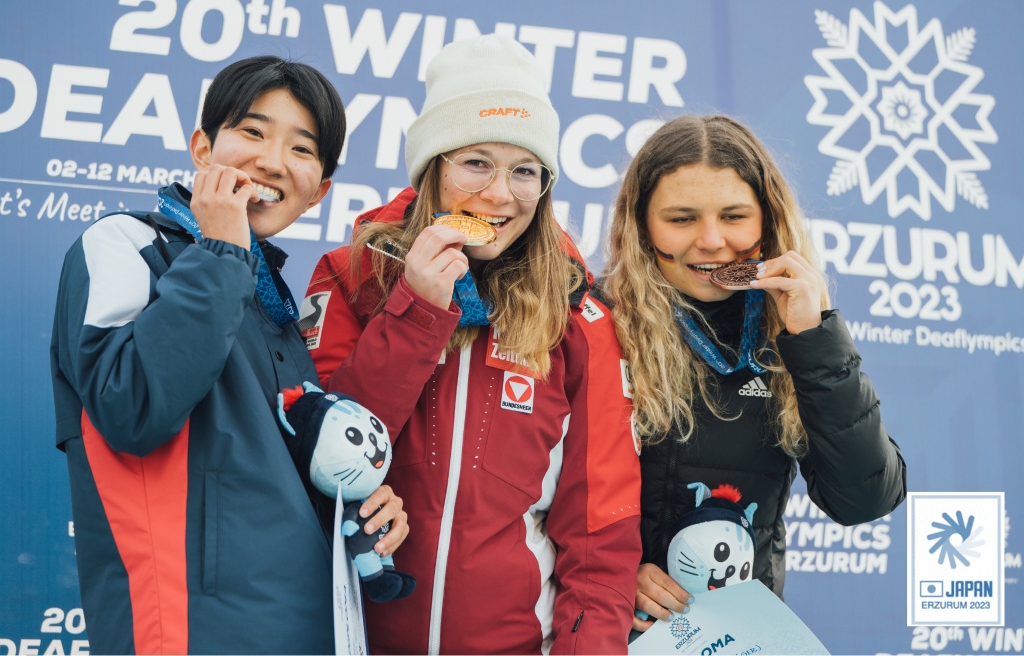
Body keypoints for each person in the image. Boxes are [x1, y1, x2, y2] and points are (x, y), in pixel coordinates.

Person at [50, 55, 408, 655]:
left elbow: (273, 471)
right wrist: (219, 248)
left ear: (319, 191)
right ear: (201, 147)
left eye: (301, 148)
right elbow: (131, 409)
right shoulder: (124, 244)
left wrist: (359, 502)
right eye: (252, 132)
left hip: (306, 629)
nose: (271, 161)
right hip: (188, 633)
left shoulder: (270, 298)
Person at [301, 34, 642, 654]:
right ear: (433, 168)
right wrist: (417, 309)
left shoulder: (577, 317)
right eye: (476, 162)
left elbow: (600, 540)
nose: (499, 195)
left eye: (525, 171)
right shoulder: (353, 274)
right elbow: (320, 456)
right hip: (356, 638)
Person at [594, 114, 907, 632]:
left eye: (734, 216)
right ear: (641, 225)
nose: (712, 241)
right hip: (614, 629)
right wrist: (608, 574)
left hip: (741, 636)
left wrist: (815, 339)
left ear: (767, 221)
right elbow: (533, 498)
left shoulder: (791, 334)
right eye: (681, 218)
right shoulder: (597, 322)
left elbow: (864, 499)